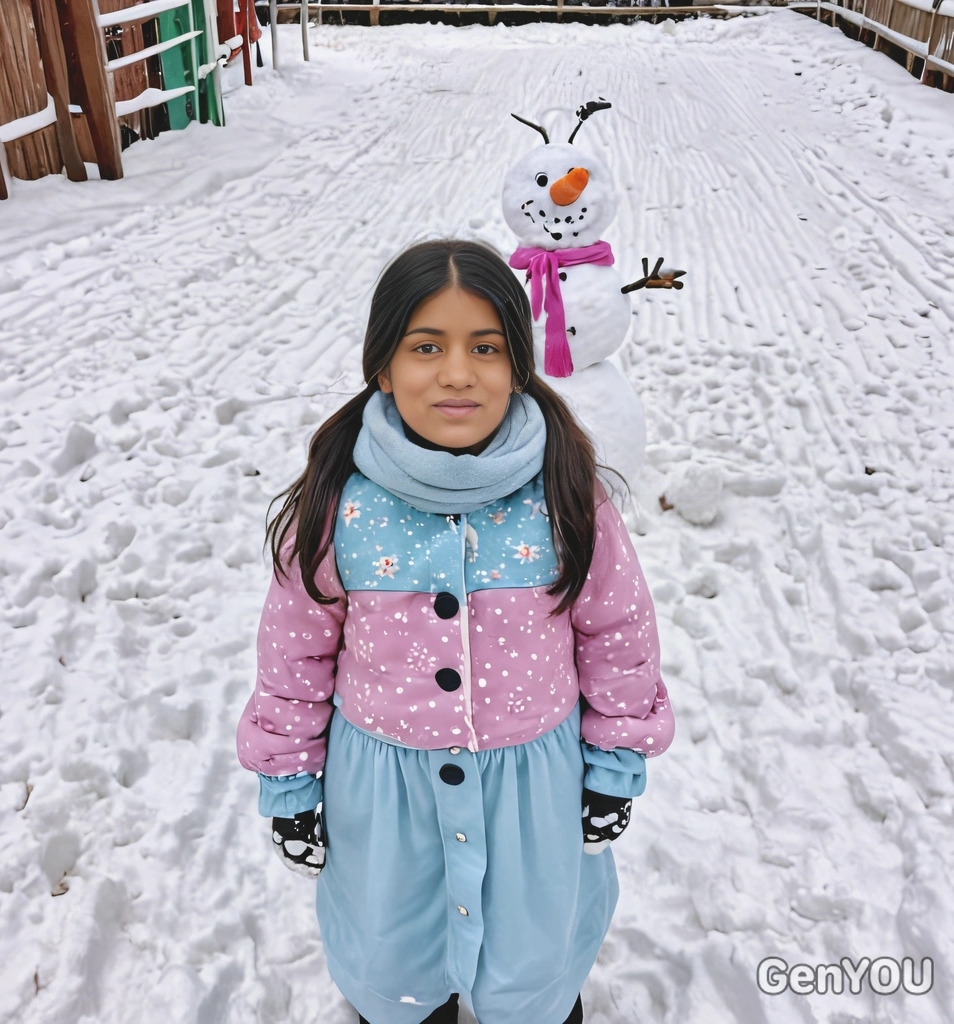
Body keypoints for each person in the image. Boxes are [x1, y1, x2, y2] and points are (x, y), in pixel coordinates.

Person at [236, 238, 675, 1024]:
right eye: (426, 346)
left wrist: (613, 763)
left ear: (519, 364)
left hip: (530, 792)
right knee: (395, 949)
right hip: (384, 797)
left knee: (529, 956)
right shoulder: (338, 505)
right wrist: (289, 784)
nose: (457, 373)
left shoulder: (567, 496)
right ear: (383, 364)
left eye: (486, 347)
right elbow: (294, 656)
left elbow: (618, 635)